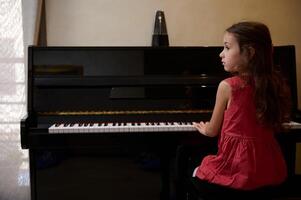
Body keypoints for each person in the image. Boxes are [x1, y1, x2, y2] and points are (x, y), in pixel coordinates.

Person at [186, 21, 291, 199]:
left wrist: (204, 128)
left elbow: (212, 131)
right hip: (269, 167)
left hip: (237, 169)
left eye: (227, 48)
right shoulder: (274, 82)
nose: (221, 54)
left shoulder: (228, 86)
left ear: (249, 53)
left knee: (191, 166)